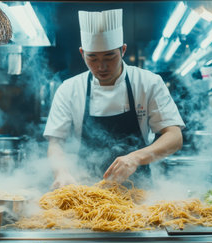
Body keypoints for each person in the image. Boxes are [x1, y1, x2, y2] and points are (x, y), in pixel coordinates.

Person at [44, 9, 185, 189]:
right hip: (87, 191)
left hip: (140, 190)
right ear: (82, 53)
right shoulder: (69, 89)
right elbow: (55, 142)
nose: (101, 66)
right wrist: (61, 173)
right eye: (92, 58)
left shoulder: (148, 82)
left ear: (123, 50)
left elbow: (174, 136)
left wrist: (135, 158)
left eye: (110, 56)